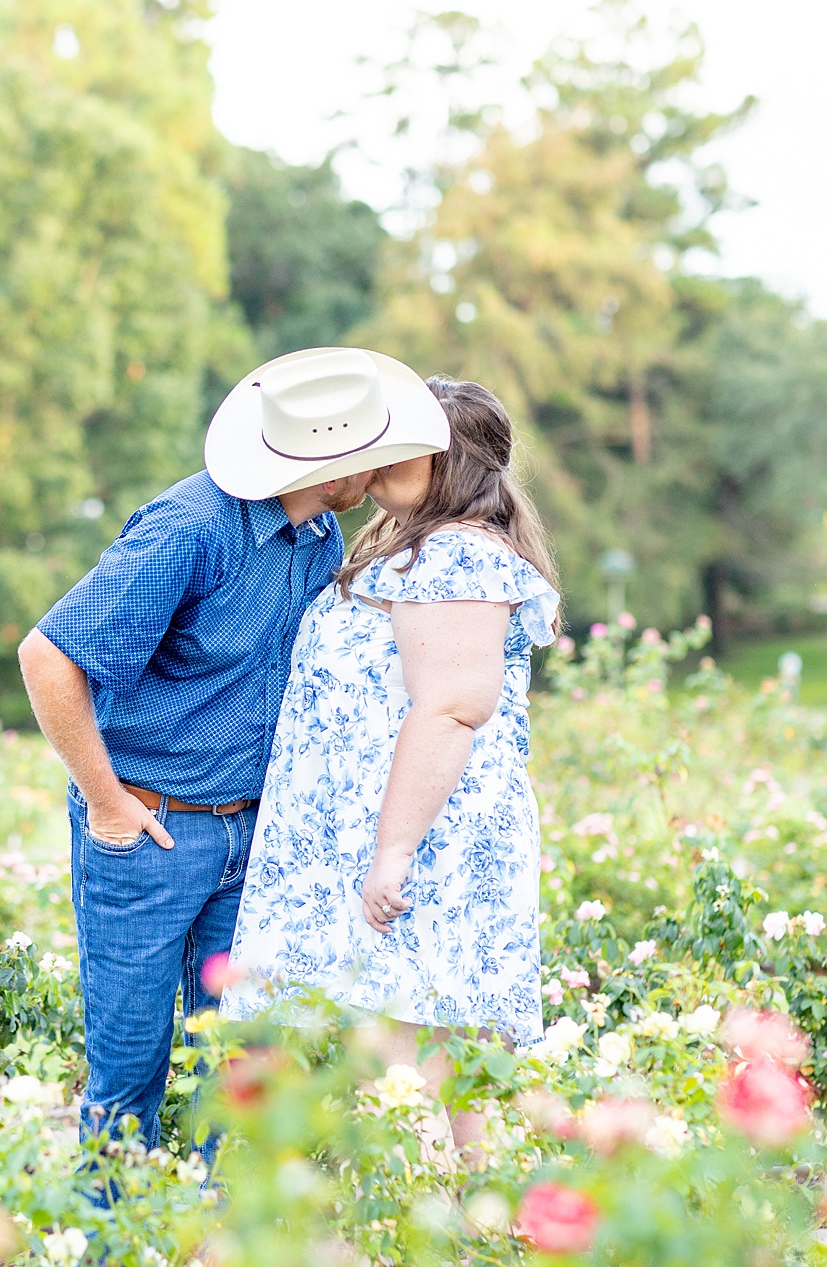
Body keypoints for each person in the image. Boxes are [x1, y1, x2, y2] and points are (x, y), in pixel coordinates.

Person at [18, 347, 448, 1151]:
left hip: (251, 837)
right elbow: (48, 657)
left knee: (242, 1063)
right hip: (151, 830)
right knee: (129, 1069)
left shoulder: (317, 537)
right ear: (335, 471)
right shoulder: (191, 529)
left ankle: (218, 1233)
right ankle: (115, 1238)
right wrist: (108, 801)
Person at [220, 378, 561, 1102]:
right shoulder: (418, 547)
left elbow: (450, 709)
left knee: (409, 1081)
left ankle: (436, 1214)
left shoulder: (457, 555)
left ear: (450, 459)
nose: (377, 452)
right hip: (401, 836)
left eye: (400, 441)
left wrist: (395, 851)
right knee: (433, 1078)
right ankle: (471, 1215)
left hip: (423, 846)